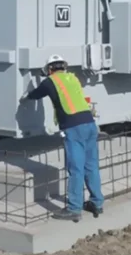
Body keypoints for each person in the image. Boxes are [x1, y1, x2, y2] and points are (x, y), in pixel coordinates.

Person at [22, 54, 104, 222]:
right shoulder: (72, 78)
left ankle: (74, 209)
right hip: (89, 124)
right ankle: (97, 203)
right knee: (91, 166)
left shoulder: (50, 81)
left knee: (76, 169)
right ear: (63, 67)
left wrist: (26, 97)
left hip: (74, 128)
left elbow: (36, 95)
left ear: (49, 70)